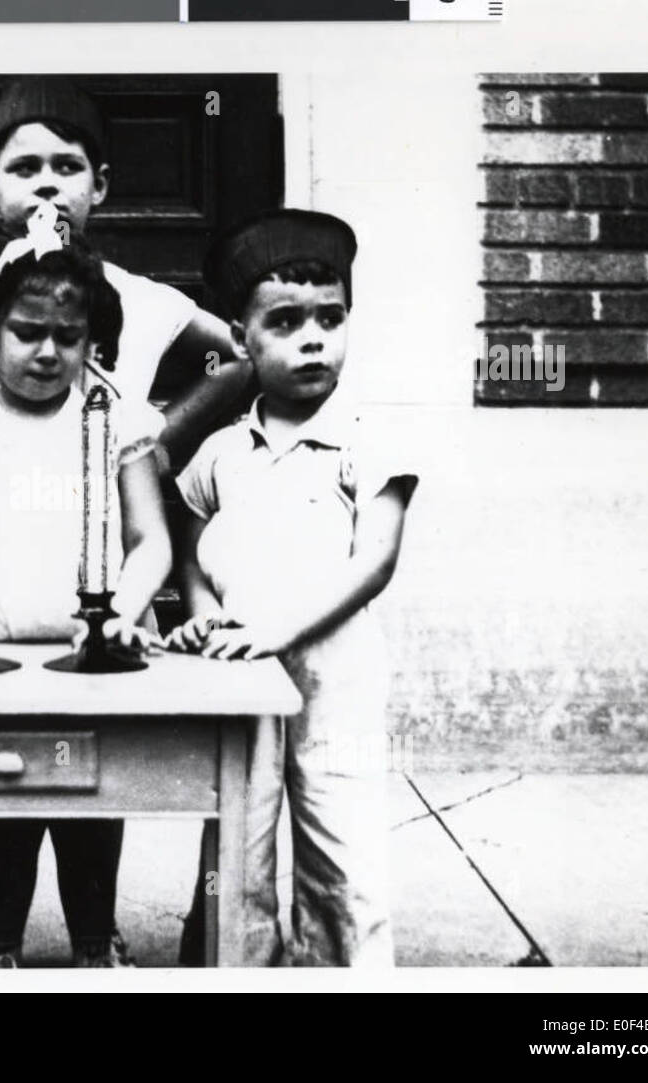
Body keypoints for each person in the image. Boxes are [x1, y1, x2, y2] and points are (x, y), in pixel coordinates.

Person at [0, 75, 247, 969]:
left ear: (100, 184)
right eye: (25, 167)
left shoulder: (137, 308)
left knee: (90, 771)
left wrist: (154, 441)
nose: (46, 186)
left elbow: (229, 365)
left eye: (66, 166)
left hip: (95, 607)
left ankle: (93, 934)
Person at [0, 212, 172, 967]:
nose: (48, 352)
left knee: (89, 791)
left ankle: (94, 942)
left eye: (69, 337)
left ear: (92, 338)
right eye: (25, 331)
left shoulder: (115, 425)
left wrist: (123, 611)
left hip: (89, 652)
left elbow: (152, 541)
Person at [168, 209, 418, 966]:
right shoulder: (221, 451)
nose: (313, 338)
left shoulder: (367, 438)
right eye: (285, 320)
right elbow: (186, 544)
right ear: (240, 338)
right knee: (236, 845)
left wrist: (280, 629)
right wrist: (204, 614)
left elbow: (374, 561)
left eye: (330, 318)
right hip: (243, 677)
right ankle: (232, 968)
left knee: (343, 844)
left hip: (334, 674)